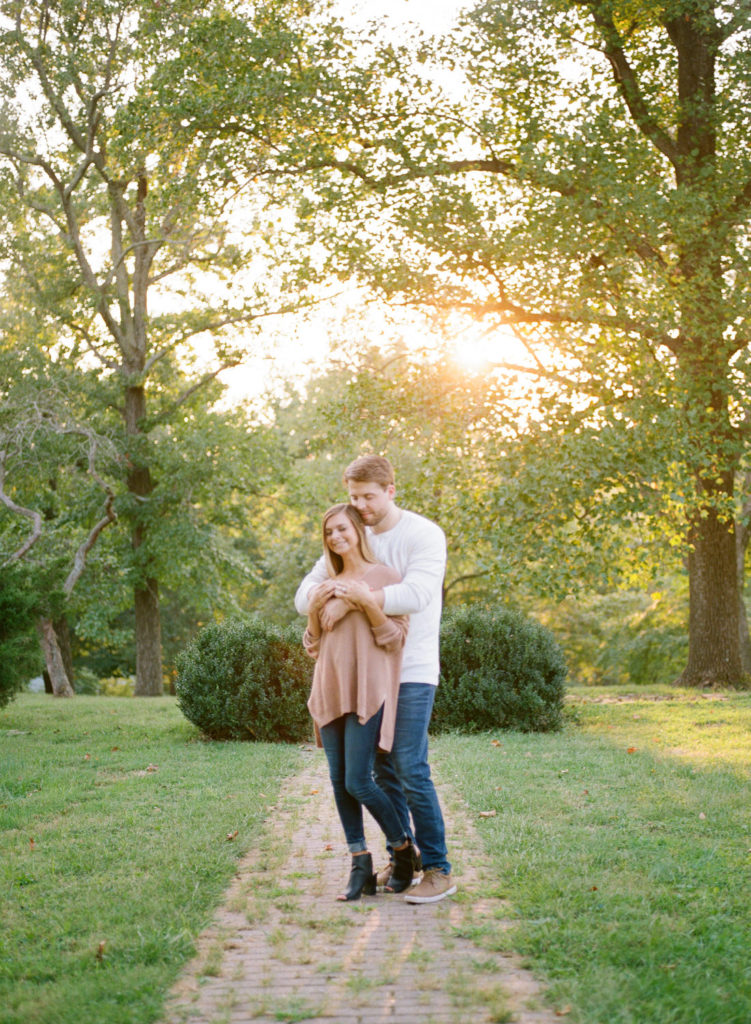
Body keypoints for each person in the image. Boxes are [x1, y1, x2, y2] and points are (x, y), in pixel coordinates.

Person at [295, 455, 456, 904]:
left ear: (391, 490)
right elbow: (305, 592)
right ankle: (400, 858)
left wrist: (354, 599)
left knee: (407, 763)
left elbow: (418, 595)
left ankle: (439, 868)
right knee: (381, 769)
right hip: (365, 674)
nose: (360, 505)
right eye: (353, 497)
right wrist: (332, 594)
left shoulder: (422, 534)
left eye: (368, 496)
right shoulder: (353, 533)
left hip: (412, 668)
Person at [303, 502, 416, 901]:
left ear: (357, 530)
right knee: (338, 782)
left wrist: (362, 601)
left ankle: (403, 849)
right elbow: (314, 644)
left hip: (368, 690)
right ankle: (360, 863)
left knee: (358, 780)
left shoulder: (384, 577)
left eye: (341, 529)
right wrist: (317, 608)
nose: (335, 537)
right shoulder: (325, 582)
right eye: (328, 532)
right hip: (330, 688)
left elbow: (395, 638)